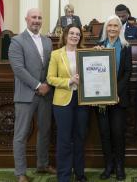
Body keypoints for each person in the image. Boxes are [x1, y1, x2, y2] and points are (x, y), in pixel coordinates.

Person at [8, 8, 56, 182]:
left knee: (45, 131)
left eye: (39, 17)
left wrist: (48, 84)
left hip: (45, 94)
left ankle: (42, 164)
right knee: (20, 135)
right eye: (34, 17)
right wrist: (37, 85)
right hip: (26, 94)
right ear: (26, 19)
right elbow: (18, 69)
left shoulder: (47, 41)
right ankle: (20, 173)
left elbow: (51, 66)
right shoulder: (16, 41)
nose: (36, 20)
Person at [47, 24, 90, 182]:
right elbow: (50, 78)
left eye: (77, 34)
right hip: (62, 102)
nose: (74, 36)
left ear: (80, 37)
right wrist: (69, 81)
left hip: (82, 100)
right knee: (64, 139)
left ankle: (80, 174)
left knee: (80, 138)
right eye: (71, 33)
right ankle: (64, 175)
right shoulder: (56, 54)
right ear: (65, 36)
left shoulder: (85, 54)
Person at [96, 15, 132, 181]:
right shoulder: (99, 46)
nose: (112, 29)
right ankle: (108, 165)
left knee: (118, 133)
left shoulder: (126, 47)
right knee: (104, 133)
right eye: (109, 26)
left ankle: (119, 166)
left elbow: (127, 72)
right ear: (106, 28)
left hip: (118, 98)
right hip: (101, 99)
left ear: (120, 28)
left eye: (115, 26)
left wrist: (115, 92)